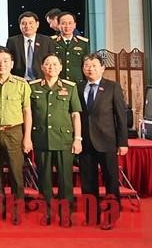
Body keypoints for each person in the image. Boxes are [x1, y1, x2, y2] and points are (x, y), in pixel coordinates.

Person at [28, 54, 82, 227]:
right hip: (42, 139)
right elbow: (28, 114)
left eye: (54, 64)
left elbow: (75, 115)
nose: (51, 67)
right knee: (44, 178)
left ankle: (66, 213)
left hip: (63, 139)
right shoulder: (33, 86)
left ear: (60, 67)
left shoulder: (70, 87)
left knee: (65, 179)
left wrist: (78, 139)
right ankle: (48, 212)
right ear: (42, 67)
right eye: (47, 64)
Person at [78, 54, 128, 230]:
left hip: (107, 141)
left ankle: (111, 216)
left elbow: (121, 117)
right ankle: (92, 215)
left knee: (110, 180)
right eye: (86, 65)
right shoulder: (78, 87)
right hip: (85, 143)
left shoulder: (112, 87)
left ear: (102, 68)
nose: (90, 68)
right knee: (88, 181)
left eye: (93, 65)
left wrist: (123, 142)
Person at [0, 50, 32, 224]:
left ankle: (17, 210)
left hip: (14, 132)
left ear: (12, 64)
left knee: (16, 173)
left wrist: (27, 137)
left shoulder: (21, 84)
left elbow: (27, 111)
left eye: (5, 61)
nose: (1, 64)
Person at [6, 11, 55, 80]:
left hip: (41, 80)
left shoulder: (47, 41)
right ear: (19, 25)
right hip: (19, 80)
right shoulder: (12, 41)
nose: (27, 26)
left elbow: (52, 61)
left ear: (37, 24)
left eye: (30, 23)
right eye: (23, 23)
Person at [53, 12, 89, 82]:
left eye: (70, 23)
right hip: (58, 82)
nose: (67, 26)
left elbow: (86, 64)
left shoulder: (83, 43)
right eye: (63, 23)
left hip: (78, 82)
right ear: (58, 25)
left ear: (74, 25)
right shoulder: (51, 41)